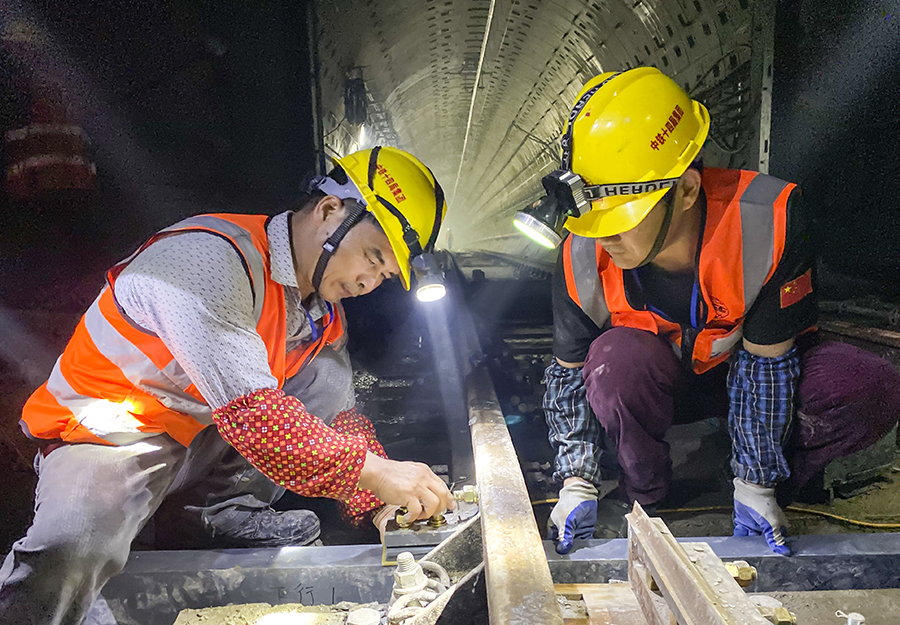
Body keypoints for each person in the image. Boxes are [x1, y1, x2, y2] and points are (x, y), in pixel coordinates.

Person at [0, 146, 455, 624]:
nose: (369, 282)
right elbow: (258, 421)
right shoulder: (210, 259)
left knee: (328, 375)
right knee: (72, 545)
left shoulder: (318, 312)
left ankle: (213, 516)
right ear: (328, 212)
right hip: (111, 437)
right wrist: (378, 472)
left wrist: (382, 499)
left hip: (197, 437)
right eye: (372, 257)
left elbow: (338, 416)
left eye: (383, 275)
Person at [523, 68, 900, 555]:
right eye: (592, 217)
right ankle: (647, 495)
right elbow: (570, 379)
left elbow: (767, 366)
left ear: (685, 190)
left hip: (751, 374)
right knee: (616, 360)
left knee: (868, 384)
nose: (603, 236)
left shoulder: (766, 221)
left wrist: (755, 483)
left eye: (622, 218)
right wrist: (575, 481)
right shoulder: (580, 252)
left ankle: (771, 490)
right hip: (662, 385)